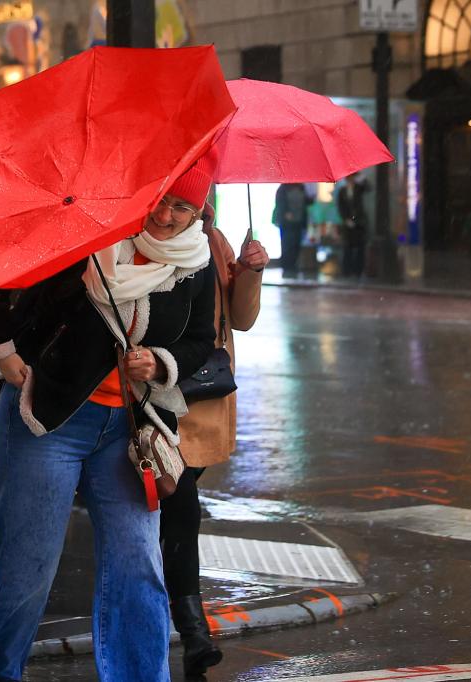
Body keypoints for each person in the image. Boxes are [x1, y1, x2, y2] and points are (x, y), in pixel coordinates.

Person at [0, 156, 220, 682]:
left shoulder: (194, 259)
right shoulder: (86, 228)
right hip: (49, 419)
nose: (169, 217)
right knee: (26, 571)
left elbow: (200, 338)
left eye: (185, 207)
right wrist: (0, 348)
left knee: (138, 570)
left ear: (199, 211)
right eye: (164, 200)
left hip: (129, 432)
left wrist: (160, 363)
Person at [160, 204, 267, 679]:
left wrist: (249, 273)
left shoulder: (214, 240)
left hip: (201, 395)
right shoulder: (140, 238)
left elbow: (240, 319)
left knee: (172, 509)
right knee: (180, 507)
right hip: (151, 394)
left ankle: (171, 612)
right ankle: (192, 630)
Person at [273, 182, 313, 277]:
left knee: (296, 244)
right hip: (287, 223)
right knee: (287, 244)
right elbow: (279, 203)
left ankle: (294, 266)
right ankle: (287, 266)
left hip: (298, 221)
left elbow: (305, 201)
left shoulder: (301, 187)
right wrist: (286, 212)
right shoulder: (283, 188)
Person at [337, 172, 370, 278]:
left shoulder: (358, 188)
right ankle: (347, 270)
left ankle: (358, 271)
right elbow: (341, 207)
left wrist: (363, 178)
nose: (350, 179)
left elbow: (368, 188)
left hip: (359, 222)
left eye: (352, 177)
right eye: (348, 178)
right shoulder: (342, 191)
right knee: (347, 247)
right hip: (348, 223)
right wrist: (346, 219)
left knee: (360, 247)